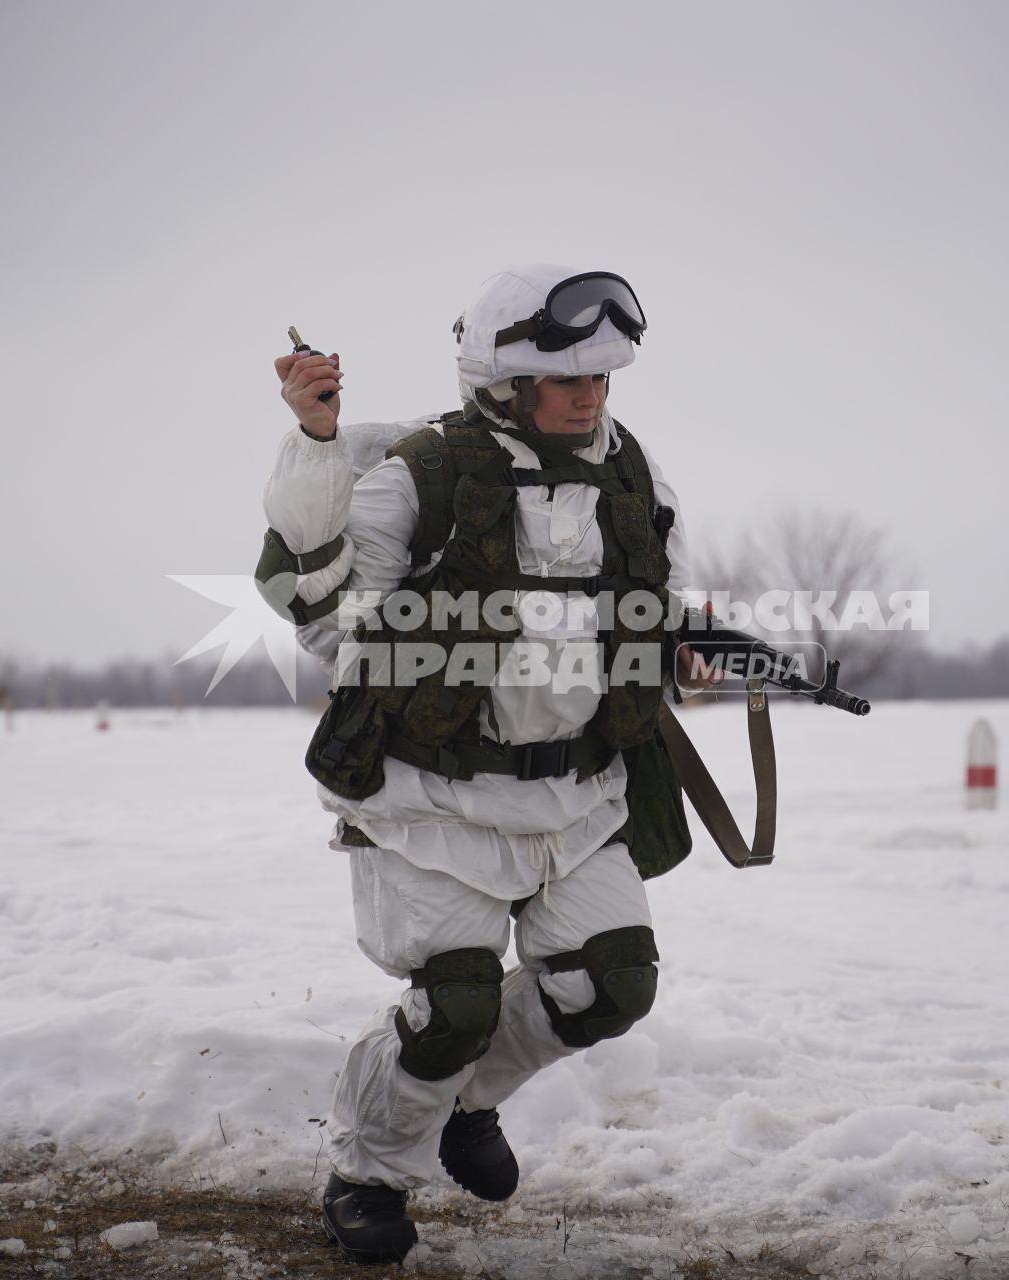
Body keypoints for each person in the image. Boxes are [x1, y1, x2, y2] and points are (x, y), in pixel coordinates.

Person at [258, 265, 713, 1264]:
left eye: (602, 374)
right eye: (567, 378)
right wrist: (320, 445)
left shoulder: (632, 472)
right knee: (454, 1003)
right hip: (436, 800)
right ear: (505, 383)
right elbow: (321, 609)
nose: (590, 394)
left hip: (580, 794)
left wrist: (686, 641)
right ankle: (369, 1172)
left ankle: (469, 1098)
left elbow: (664, 591)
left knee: (611, 981)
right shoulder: (419, 477)